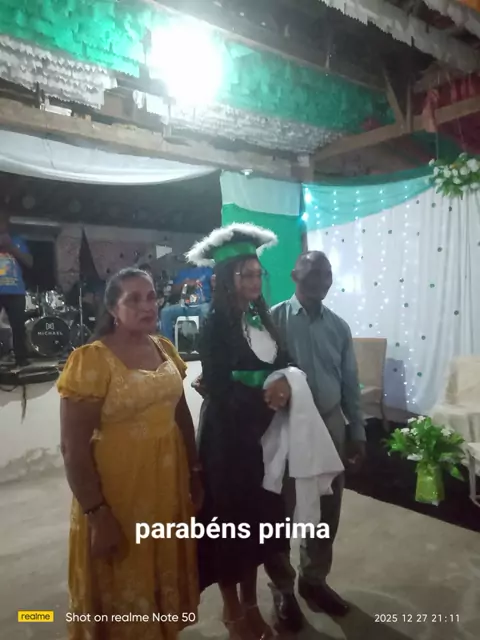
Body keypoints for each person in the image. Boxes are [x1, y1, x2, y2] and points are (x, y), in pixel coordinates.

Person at [57, 267, 201, 640]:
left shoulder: (164, 348)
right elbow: (72, 447)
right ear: (112, 309)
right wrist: (97, 513)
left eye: (151, 296)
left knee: (160, 565)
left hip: (167, 484)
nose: (147, 306)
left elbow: (180, 413)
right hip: (119, 490)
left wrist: (195, 471)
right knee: (123, 572)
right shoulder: (91, 360)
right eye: (133, 299)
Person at [187, 224, 293, 640]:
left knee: (256, 526)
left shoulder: (263, 319)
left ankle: (251, 604)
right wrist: (263, 399)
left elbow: (286, 361)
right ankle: (233, 611)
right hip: (229, 439)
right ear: (227, 277)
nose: (253, 280)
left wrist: (285, 381)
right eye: (245, 274)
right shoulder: (214, 323)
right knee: (230, 525)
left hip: (264, 439)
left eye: (257, 273)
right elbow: (216, 384)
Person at [265, 250, 366, 629]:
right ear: (294, 275)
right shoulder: (273, 320)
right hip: (286, 428)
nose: (321, 280)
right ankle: (283, 589)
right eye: (312, 273)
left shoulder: (338, 327)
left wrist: (357, 431)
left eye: (326, 273)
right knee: (280, 512)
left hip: (330, 425)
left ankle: (314, 580)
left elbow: (350, 382)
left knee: (326, 509)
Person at [0, 211, 32, 365]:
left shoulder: (17, 240)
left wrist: (11, 247)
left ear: (7, 223)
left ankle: (21, 359)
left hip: (16, 291)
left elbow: (29, 262)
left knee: (18, 327)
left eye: (2, 221)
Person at [160, 264, 213, 344]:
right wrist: (184, 283)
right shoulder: (183, 272)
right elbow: (173, 291)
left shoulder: (207, 270)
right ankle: (168, 346)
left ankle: (203, 344)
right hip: (185, 306)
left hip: (202, 305)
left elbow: (215, 286)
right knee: (165, 312)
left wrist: (214, 283)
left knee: (206, 311)